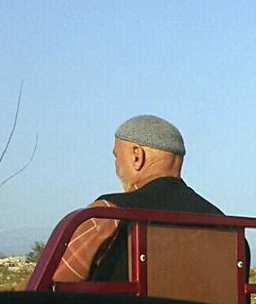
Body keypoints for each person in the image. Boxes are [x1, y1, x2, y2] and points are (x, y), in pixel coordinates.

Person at [51, 115, 225, 283]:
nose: (117, 165)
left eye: (117, 156)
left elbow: (43, 289)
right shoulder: (227, 226)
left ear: (136, 156)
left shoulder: (107, 214)